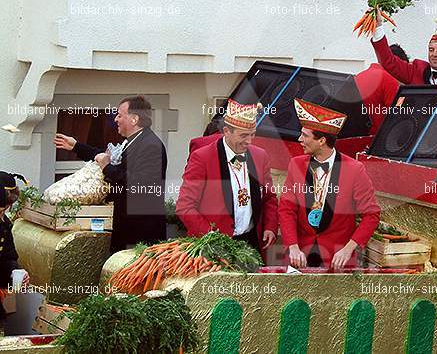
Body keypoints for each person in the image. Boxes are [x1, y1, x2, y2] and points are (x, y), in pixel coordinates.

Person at [54, 95, 167, 252]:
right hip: (125, 228)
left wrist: (107, 168)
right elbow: (106, 156)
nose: (115, 119)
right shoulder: (133, 141)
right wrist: (76, 146)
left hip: (139, 235)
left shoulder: (151, 146)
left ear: (134, 119)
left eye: (120, 115)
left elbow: (139, 185)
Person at [279, 99, 380, 270]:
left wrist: (348, 249)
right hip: (300, 256)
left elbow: (371, 215)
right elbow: (286, 209)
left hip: (337, 259)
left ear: (321, 141)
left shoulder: (355, 169)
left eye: (305, 135)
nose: (299, 139)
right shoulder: (296, 165)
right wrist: (293, 246)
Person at [177, 99, 278, 259]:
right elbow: (185, 206)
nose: (249, 141)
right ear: (226, 131)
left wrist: (270, 227)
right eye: (243, 135)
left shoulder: (261, 156)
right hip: (212, 246)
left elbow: (269, 198)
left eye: (252, 135)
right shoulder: (202, 157)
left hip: (251, 242)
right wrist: (212, 238)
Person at [355, 44, 409, 135]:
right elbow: (398, 117)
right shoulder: (389, 80)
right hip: (376, 140)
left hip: (356, 135)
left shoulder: (359, 75)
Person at [0, 186, 29, 331]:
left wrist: (15, 272)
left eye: (5, 210)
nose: (2, 216)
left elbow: (7, 257)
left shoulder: (4, 225)